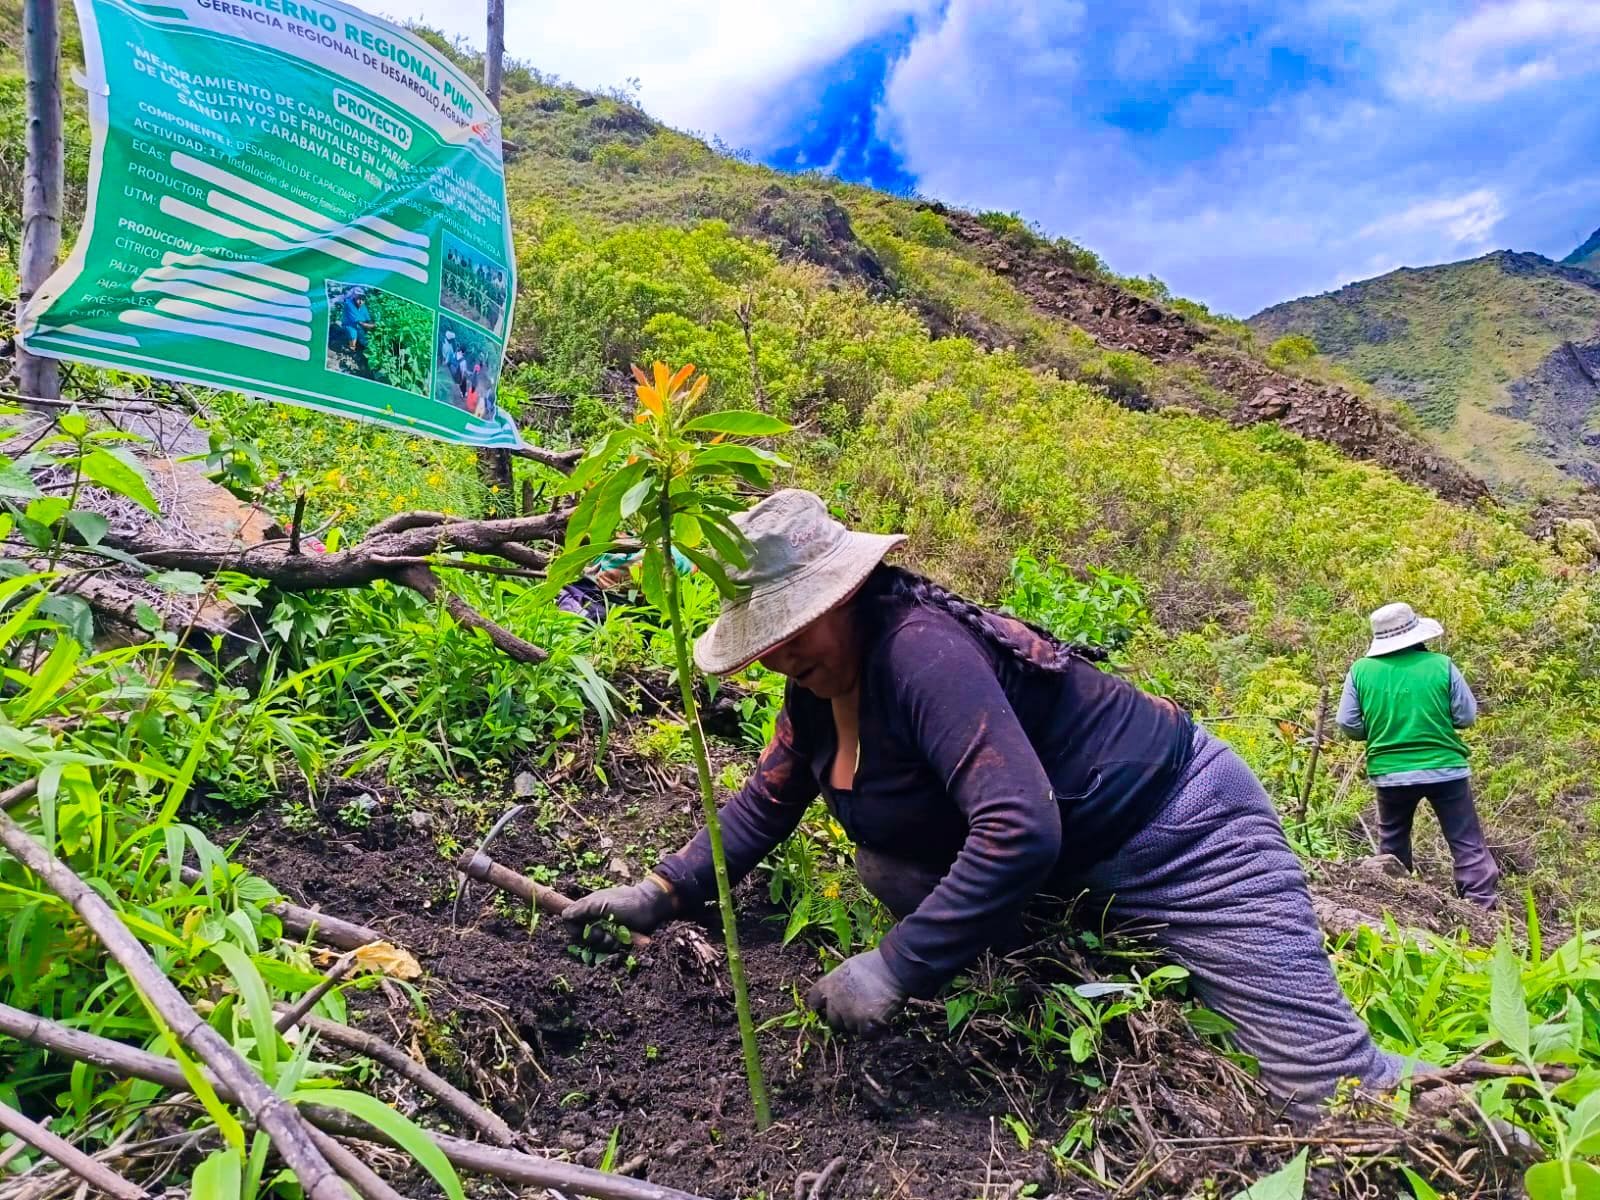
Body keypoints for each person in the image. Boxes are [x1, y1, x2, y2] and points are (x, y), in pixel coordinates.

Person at [565, 489, 1407, 1113]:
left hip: (1182, 835)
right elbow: (764, 805)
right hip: (1080, 868)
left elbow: (1018, 826)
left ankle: (1499, 1116)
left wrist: (894, 965)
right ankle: (1063, 963)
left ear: (846, 594)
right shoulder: (816, 692)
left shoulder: (921, 651)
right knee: (885, 862)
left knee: (1329, 1093)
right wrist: (664, 892)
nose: (778, 652)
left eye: (795, 625)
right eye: (765, 638)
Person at [1337, 602, 1498, 908]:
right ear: (1415, 634)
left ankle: (1396, 904)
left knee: (1393, 841)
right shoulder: (1441, 665)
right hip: (1445, 768)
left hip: (1389, 771)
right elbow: (1466, 716)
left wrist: (1376, 730)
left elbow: (1348, 723)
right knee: (1466, 842)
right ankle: (1481, 906)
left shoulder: (1361, 671)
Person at [337, 287, 373, 352]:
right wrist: (373, 326)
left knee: (365, 340)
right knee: (353, 334)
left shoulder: (363, 306)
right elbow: (361, 323)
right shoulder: (349, 304)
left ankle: (361, 344)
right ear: (355, 297)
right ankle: (351, 348)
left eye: (363, 300)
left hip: (359, 326)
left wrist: (371, 324)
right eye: (359, 299)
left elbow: (368, 319)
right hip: (349, 325)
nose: (360, 302)